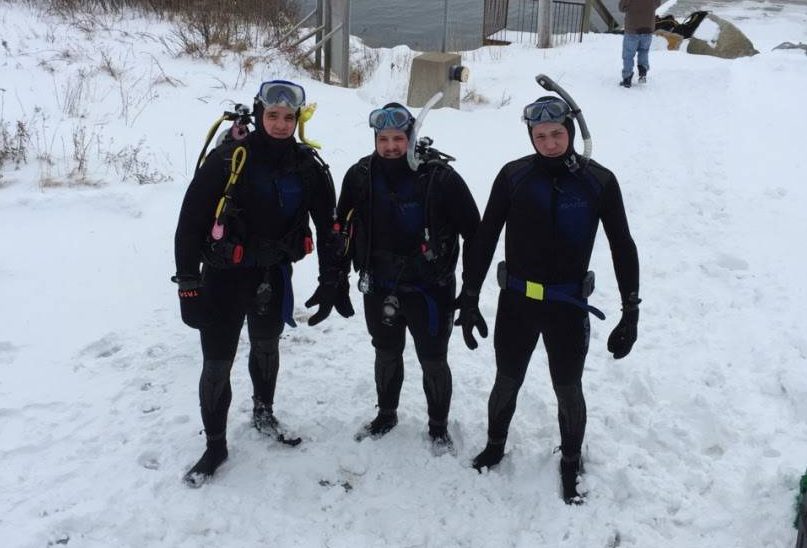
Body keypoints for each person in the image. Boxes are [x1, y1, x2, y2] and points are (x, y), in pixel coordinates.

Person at [455, 95, 640, 503]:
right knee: (507, 378)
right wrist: (469, 295)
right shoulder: (514, 176)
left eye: (557, 134)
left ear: (570, 131)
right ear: (530, 136)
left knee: (568, 386)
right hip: (517, 303)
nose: (550, 143)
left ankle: (571, 460)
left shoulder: (598, 182)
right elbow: (485, 238)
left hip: (568, 307)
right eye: (540, 136)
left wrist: (631, 310)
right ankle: (495, 445)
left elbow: (622, 245)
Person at [173, 79, 353, 487]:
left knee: (267, 347)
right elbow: (189, 223)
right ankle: (215, 447)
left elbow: (329, 227)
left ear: (298, 120)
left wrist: (332, 280)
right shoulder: (229, 159)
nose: (280, 124)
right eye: (272, 115)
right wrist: (187, 284)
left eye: (288, 117)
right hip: (223, 279)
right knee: (217, 364)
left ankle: (264, 413)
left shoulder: (308, 166)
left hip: (272, 277)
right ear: (259, 115)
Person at [334, 103, 480, 453]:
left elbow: (475, 233)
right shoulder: (360, 175)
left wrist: (471, 289)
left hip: (430, 288)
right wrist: (336, 277)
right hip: (379, 284)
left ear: (411, 137)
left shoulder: (439, 178)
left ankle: (438, 427)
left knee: (433, 358)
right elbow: (341, 229)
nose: (390, 147)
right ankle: (386, 415)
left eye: (398, 139)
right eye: (383, 139)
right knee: (386, 352)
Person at [619, 0, 661, 87]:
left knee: (628, 54)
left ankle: (627, 78)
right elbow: (657, 4)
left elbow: (622, 8)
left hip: (632, 28)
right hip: (648, 28)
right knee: (644, 51)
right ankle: (643, 72)